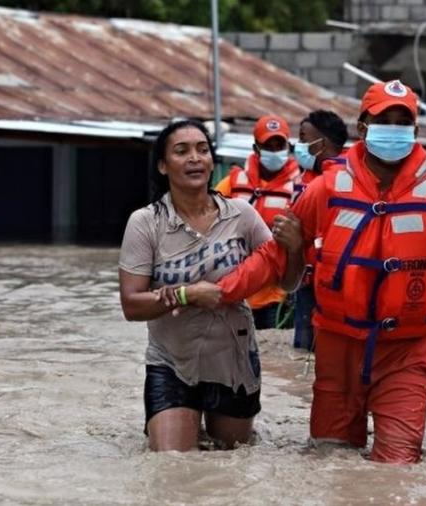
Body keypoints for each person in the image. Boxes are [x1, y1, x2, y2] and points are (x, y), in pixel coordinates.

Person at [187, 80, 426, 463]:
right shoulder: (326, 189)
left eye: (401, 121)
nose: (393, 127)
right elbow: (273, 257)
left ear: (416, 132)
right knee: (329, 460)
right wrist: (214, 291)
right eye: (383, 119)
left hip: (407, 351)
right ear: (362, 128)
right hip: (337, 350)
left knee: (397, 468)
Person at [118, 119, 303, 452]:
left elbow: (288, 283)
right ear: (162, 165)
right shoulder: (145, 223)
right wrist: (189, 294)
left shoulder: (242, 215)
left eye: (202, 150)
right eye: (182, 151)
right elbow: (131, 305)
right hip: (172, 362)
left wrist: (296, 248)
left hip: (233, 362)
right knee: (172, 463)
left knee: (230, 463)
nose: (195, 158)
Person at [214, 115, 301, 329]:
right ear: (256, 147)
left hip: (274, 294)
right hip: (234, 289)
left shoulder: (300, 189)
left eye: (278, 145)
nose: (273, 150)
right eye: (267, 145)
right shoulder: (232, 183)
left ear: (288, 147)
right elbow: (206, 219)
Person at [291, 110, 349, 351]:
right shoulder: (303, 177)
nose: (299, 145)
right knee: (303, 351)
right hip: (304, 281)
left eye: (304, 138)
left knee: (334, 352)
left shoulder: (350, 180)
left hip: (339, 284)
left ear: (321, 143)